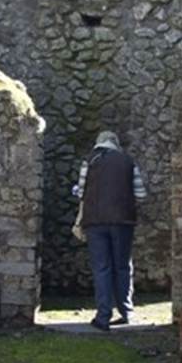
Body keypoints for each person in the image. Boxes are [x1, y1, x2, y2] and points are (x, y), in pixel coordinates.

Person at [73, 131, 147, 331]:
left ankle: (103, 316)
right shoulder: (128, 161)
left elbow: (81, 191)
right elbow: (141, 193)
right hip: (123, 221)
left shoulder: (90, 161)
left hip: (95, 222)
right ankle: (126, 312)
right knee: (122, 266)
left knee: (102, 268)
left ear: (99, 143)